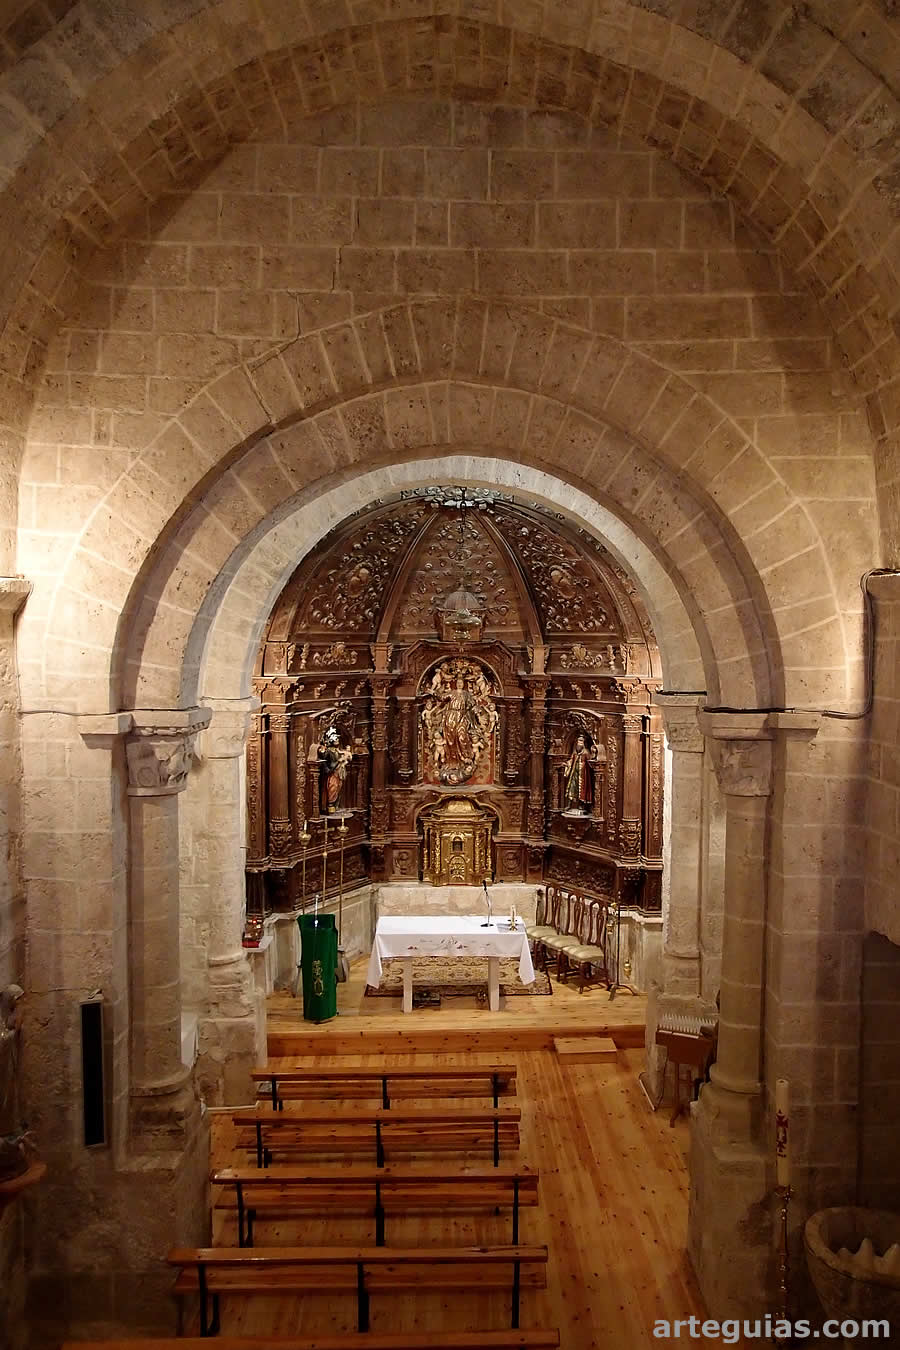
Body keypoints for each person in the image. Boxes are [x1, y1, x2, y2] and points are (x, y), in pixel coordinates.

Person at [0, 984, 29, 1179]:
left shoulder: (8, 1016)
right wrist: (12, 1034)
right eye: (16, 1000)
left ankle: (11, 1138)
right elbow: (3, 1040)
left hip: (8, 1071)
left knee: (10, 1102)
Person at [317, 727, 352, 814]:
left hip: (339, 771)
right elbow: (324, 762)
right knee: (332, 787)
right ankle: (330, 804)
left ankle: (335, 804)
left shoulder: (337, 750)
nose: (337, 741)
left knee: (338, 787)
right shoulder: (328, 751)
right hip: (332, 772)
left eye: (338, 739)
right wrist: (333, 765)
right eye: (336, 740)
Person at [563, 734, 595, 814]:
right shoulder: (575, 752)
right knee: (572, 787)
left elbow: (591, 761)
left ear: (584, 743)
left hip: (583, 775)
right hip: (574, 773)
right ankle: (570, 804)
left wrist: (593, 754)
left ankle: (582, 805)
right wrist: (567, 764)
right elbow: (571, 760)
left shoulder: (586, 752)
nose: (579, 743)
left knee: (582, 789)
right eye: (578, 741)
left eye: (581, 741)